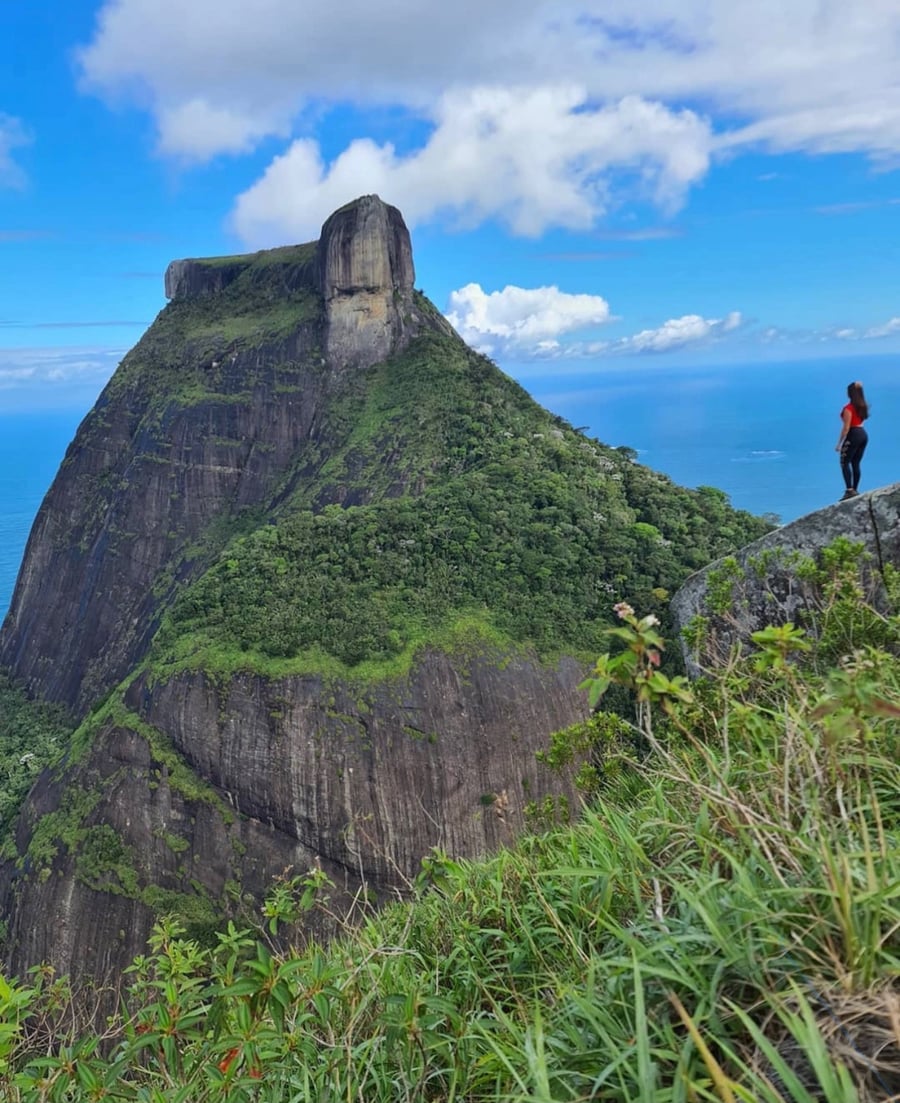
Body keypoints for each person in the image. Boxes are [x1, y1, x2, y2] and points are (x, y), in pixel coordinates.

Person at [835, 381, 869, 500]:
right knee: (855, 463)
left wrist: (839, 444)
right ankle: (855, 488)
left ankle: (849, 490)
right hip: (863, 434)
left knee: (844, 462)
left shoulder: (848, 408)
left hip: (853, 434)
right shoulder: (862, 407)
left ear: (850, 393)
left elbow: (846, 428)